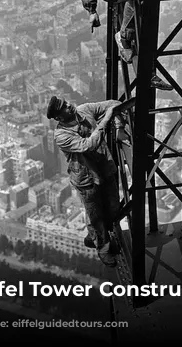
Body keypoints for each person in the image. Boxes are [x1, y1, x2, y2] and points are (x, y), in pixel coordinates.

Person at [46, 95, 123, 267]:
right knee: (96, 216)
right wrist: (107, 120)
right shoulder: (61, 135)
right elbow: (88, 145)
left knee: (112, 208)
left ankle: (94, 236)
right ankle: (103, 249)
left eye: (66, 102)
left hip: (105, 168)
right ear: (58, 117)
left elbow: (114, 104)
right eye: (65, 107)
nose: (69, 105)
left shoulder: (84, 110)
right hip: (86, 179)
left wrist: (119, 124)